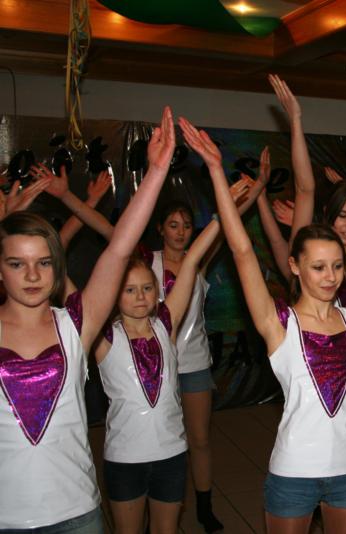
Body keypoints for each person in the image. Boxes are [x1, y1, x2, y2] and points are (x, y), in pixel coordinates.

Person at [179, 114, 346, 534]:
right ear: (295, 266)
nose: (330, 277)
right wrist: (218, 172)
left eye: (337, 266)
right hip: (293, 472)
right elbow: (241, 250)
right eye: (318, 267)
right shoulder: (278, 324)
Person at [0, 106, 175, 532]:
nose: (33, 275)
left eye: (44, 262)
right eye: (17, 264)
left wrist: (155, 173)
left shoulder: (76, 324)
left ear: (57, 268)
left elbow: (119, 249)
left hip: (77, 512)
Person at [96, 179, 252, 534]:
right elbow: (113, 247)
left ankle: (204, 506)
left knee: (197, 439)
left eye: (146, 289)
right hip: (125, 455)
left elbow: (196, 256)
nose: (140, 296)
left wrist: (224, 206)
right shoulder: (106, 335)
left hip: (187, 381)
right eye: (130, 290)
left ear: (157, 293)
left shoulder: (166, 320)